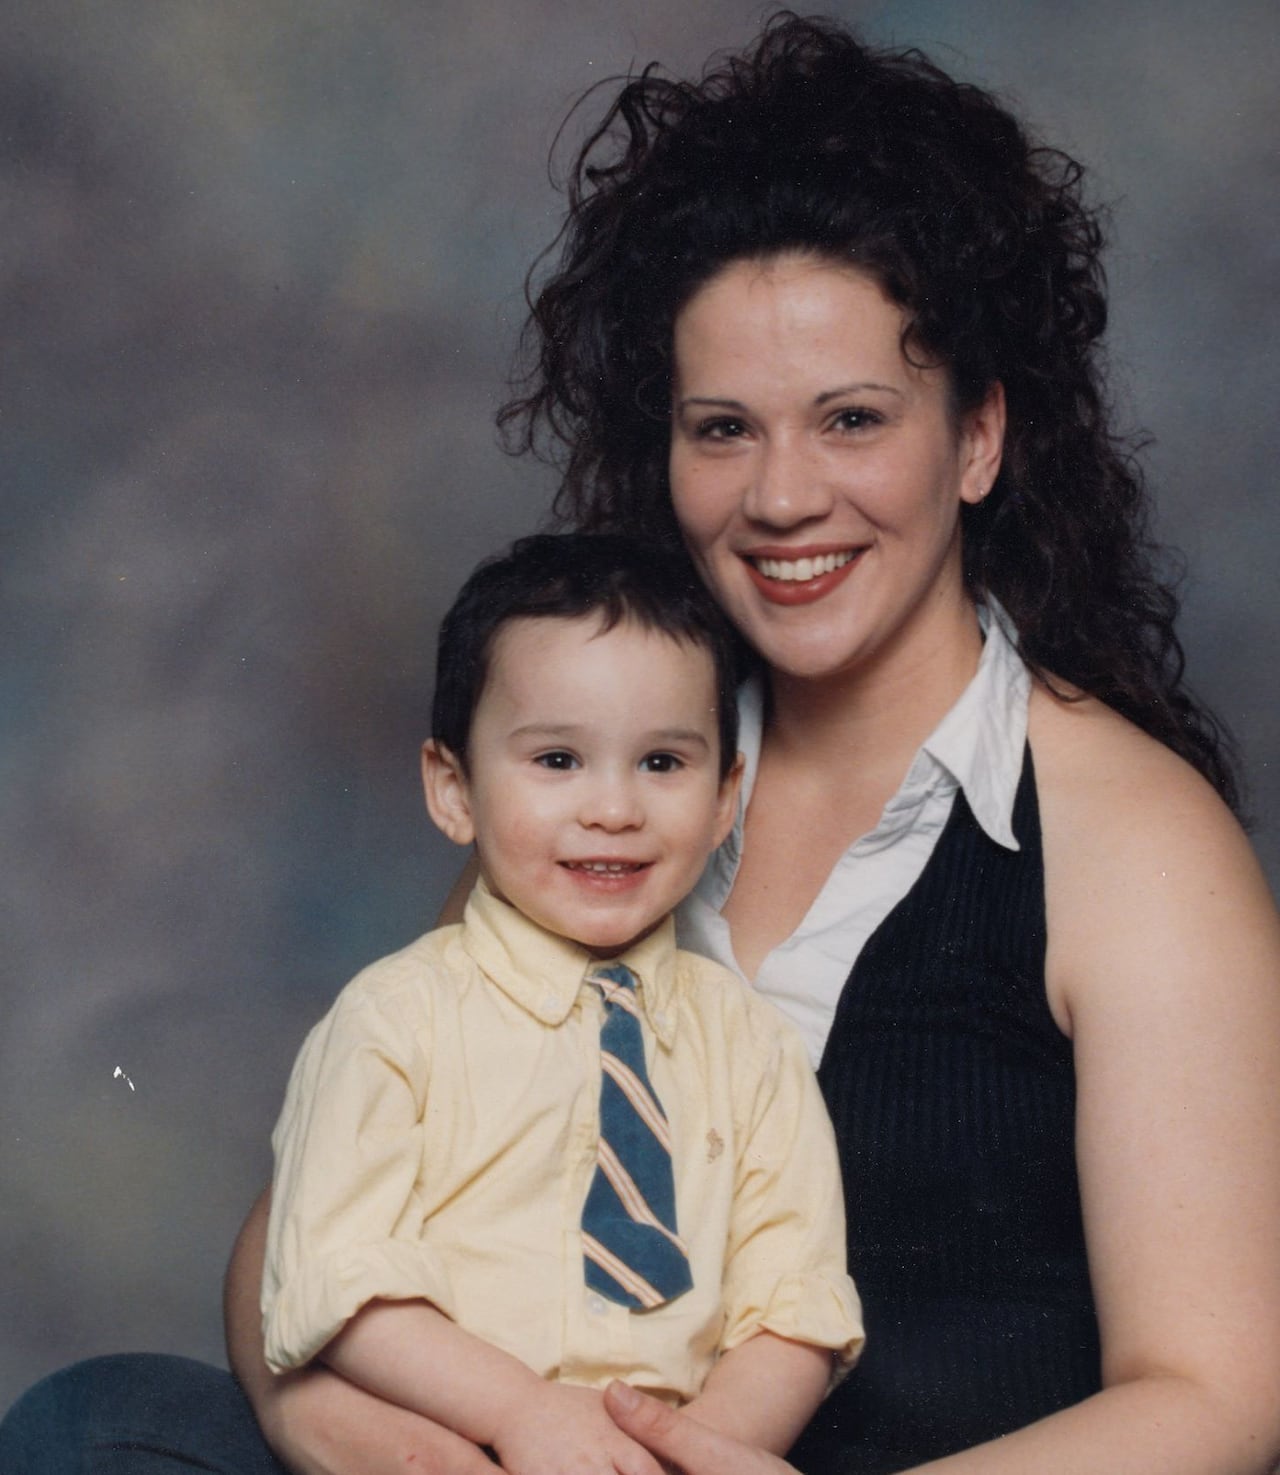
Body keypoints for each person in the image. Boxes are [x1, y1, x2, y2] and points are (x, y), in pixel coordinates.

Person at [4, 12, 1279, 1475]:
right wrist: (380, 1440)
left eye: (852, 418)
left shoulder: (1130, 840)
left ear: (977, 439)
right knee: (96, 1421)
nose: (783, 495)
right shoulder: (608, 769)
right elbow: (310, 1231)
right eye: (723, 428)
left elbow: (1214, 1394)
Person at [258, 531, 862, 1473]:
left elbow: (797, 1312)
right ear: (453, 788)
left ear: (723, 799)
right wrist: (519, 1413)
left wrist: (689, 1455)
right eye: (557, 761)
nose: (613, 808)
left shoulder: (753, 1047)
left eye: (662, 763)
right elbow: (337, 1279)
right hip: (440, 1440)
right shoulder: (393, 1020)